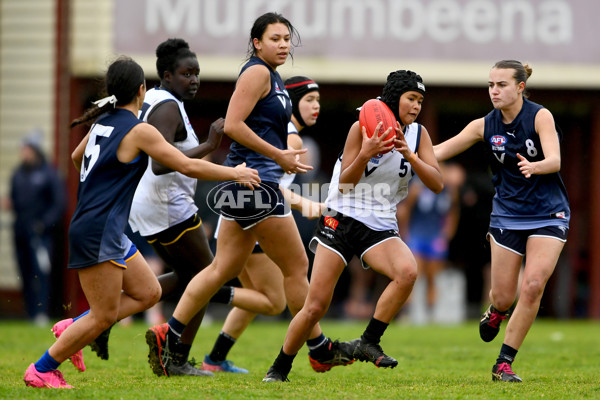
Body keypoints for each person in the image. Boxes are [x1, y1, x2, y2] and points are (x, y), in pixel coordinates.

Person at [23, 56, 259, 389]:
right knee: (103, 316)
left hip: (102, 226)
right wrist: (234, 172)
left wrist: (102, 189)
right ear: (141, 90)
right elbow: (186, 166)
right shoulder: (138, 130)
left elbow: (78, 158)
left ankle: (73, 328)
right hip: (99, 229)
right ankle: (42, 369)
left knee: (148, 292)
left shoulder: (103, 121)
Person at [146, 12, 354, 379]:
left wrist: (280, 158)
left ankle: (170, 337)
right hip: (256, 187)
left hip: (248, 186)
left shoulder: (272, 77)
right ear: (257, 42)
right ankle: (318, 349)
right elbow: (234, 124)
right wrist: (277, 156)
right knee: (296, 268)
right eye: (275, 38)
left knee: (221, 269)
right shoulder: (257, 72)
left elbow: (255, 129)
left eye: (287, 39)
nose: (284, 45)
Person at [263, 70, 444, 382]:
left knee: (407, 272)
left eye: (420, 101)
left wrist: (410, 157)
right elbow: (345, 183)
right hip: (341, 217)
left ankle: (368, 341)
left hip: (381, 223)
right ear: (393, 98)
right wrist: (366, 153)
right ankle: (279, 368)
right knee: (316, 305)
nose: (416, 106)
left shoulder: (419, 135)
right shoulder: (361, 126)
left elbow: (437, 183)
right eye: (411, 99)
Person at [433, 60, 570, 382]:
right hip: (507, 214)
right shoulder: (483, 125)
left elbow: (555, 159)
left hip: (549, 212)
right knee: (503, 295)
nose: (494, 91)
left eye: (502, 85)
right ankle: (496, 311)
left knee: (533, 285)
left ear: (520, 87)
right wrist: (406, 151)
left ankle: (504, 363)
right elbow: (439, 152)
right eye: (491, 85)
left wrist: (537, 167)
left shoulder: (540, 115)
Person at [202, 75, 324, 373]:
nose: (316, 106)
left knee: (256, 297)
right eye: (309, 100)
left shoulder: (278, 132)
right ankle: (320, 347)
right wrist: (306, 203)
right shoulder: (292, 137)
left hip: (237, 218)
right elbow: (270, 185)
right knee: (272, 301)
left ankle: (214, 359)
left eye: (318, 100)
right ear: (290, 103)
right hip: (256, 222)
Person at [5, 131, 66, 325]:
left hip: (41, 234)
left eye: (27, 149)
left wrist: (44, 224)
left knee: (41, 272)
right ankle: (30, 311)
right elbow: (15, 199)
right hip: (20, 231)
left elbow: (59, 203)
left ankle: (42, 312)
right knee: (24, 271)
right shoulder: (18, 173)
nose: (24, 153)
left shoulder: (48, 173)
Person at [397, 162, 463, 323]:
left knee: (433, 277)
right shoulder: (418, 188)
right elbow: (406, 211)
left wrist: (447, 234)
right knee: (412, 275)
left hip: (435, 237)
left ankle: (430, 313)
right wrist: (404, 233)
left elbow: (453, 213)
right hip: (417, 235)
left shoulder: (448, 192)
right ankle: (406, 312)